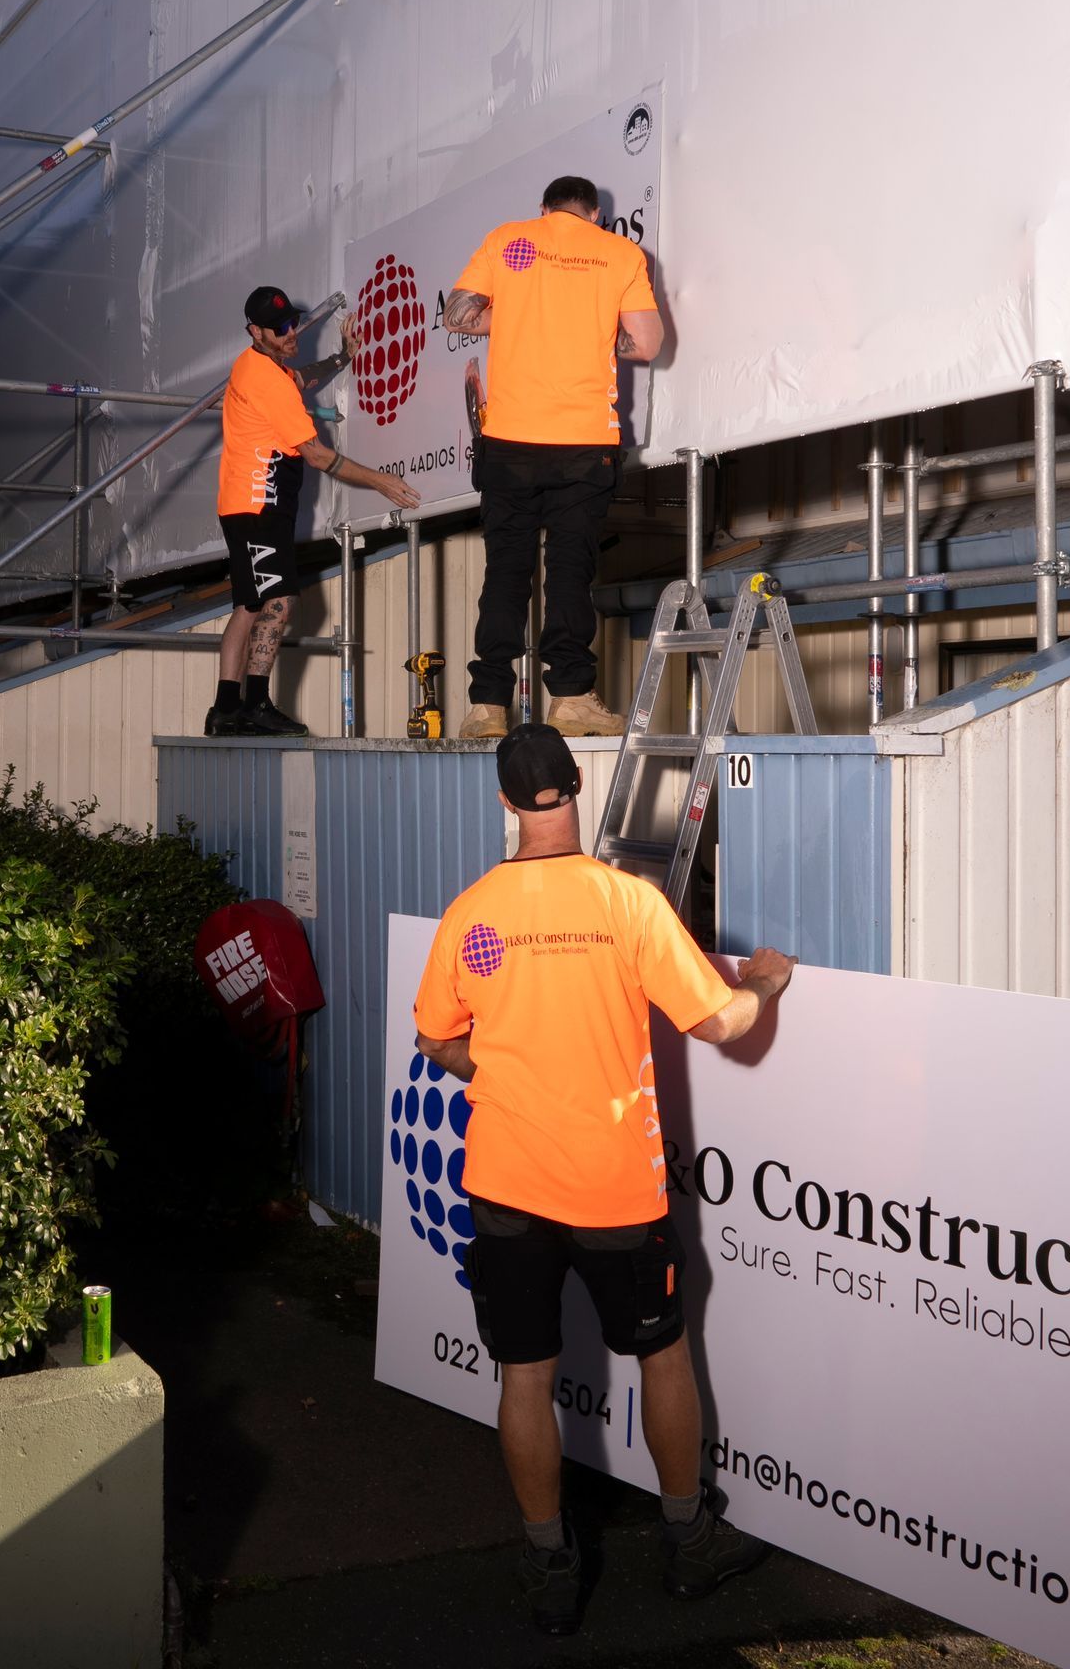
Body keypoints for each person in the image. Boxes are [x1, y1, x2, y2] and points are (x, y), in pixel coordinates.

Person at [413, 723, 796, 1636]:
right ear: (575, 788)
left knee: (523, 1375)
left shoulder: (474, 915)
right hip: (618, 1190)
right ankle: (688, 1543)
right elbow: (721, 1025)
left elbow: (435, 1037)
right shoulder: (628, 904)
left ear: (505, 802)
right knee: (662, 1354)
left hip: (506, 1187)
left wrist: (495, 1074)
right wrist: (769, 983)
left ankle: (550, 1563)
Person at [443, 175, 665, 741]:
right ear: (593, 215)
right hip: (583, 442)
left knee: (506, 570)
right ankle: (569, 698)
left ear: (543, 209)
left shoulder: (510, 240)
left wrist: (514, 314)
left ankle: (488, 705)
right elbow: (646, 343)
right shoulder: (620, 252)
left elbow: (458, 316)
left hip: (510, 440)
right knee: (571, 569)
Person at [207, 285, 421, 737]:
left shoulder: (259, 366)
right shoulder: (266, 379)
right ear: (255, 331)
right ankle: (255, 704)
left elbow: (301, 378)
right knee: (279, 599)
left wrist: (343, 357)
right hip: (257, 504)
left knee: (250, 605)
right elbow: (319, 456)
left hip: (249, 503)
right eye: (280, 328)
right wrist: (383, 481)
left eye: (293, 323)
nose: (291, 333)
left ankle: (226, 708)